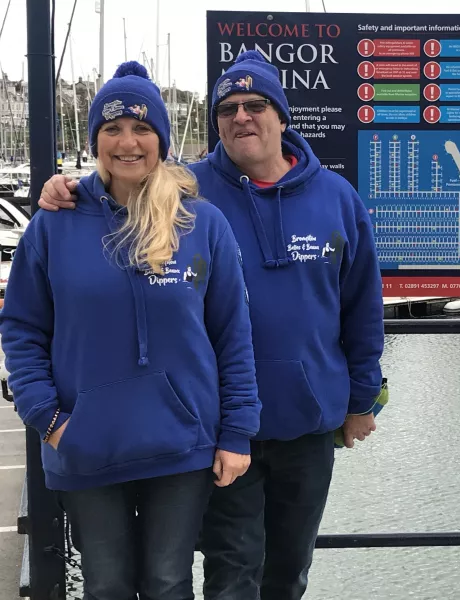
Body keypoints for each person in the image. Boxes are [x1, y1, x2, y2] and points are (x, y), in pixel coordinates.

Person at [38, 50, 385, 600]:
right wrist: (66, 188)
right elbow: (121, 184)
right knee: (231, 572)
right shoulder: (186, 192)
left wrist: (363, 400)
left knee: (291, 569)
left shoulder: (337, 198)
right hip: (216, 425)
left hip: (307, 421)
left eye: (255, 104)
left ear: (282, 114)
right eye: (227, 108)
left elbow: (363, 308)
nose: (241, 116)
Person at [1, 62, 261, 599]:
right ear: (95, 138)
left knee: (168, 583)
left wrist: (236, 432)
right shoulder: (54, 223)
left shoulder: (202, 223)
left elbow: (232, 334)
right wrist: (48, 419)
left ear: (161, 139)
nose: (127, 142)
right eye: (112, 128)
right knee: (107, 585)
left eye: (142, 128)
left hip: (182, 441)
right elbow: (22, 328)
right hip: (85, 442)